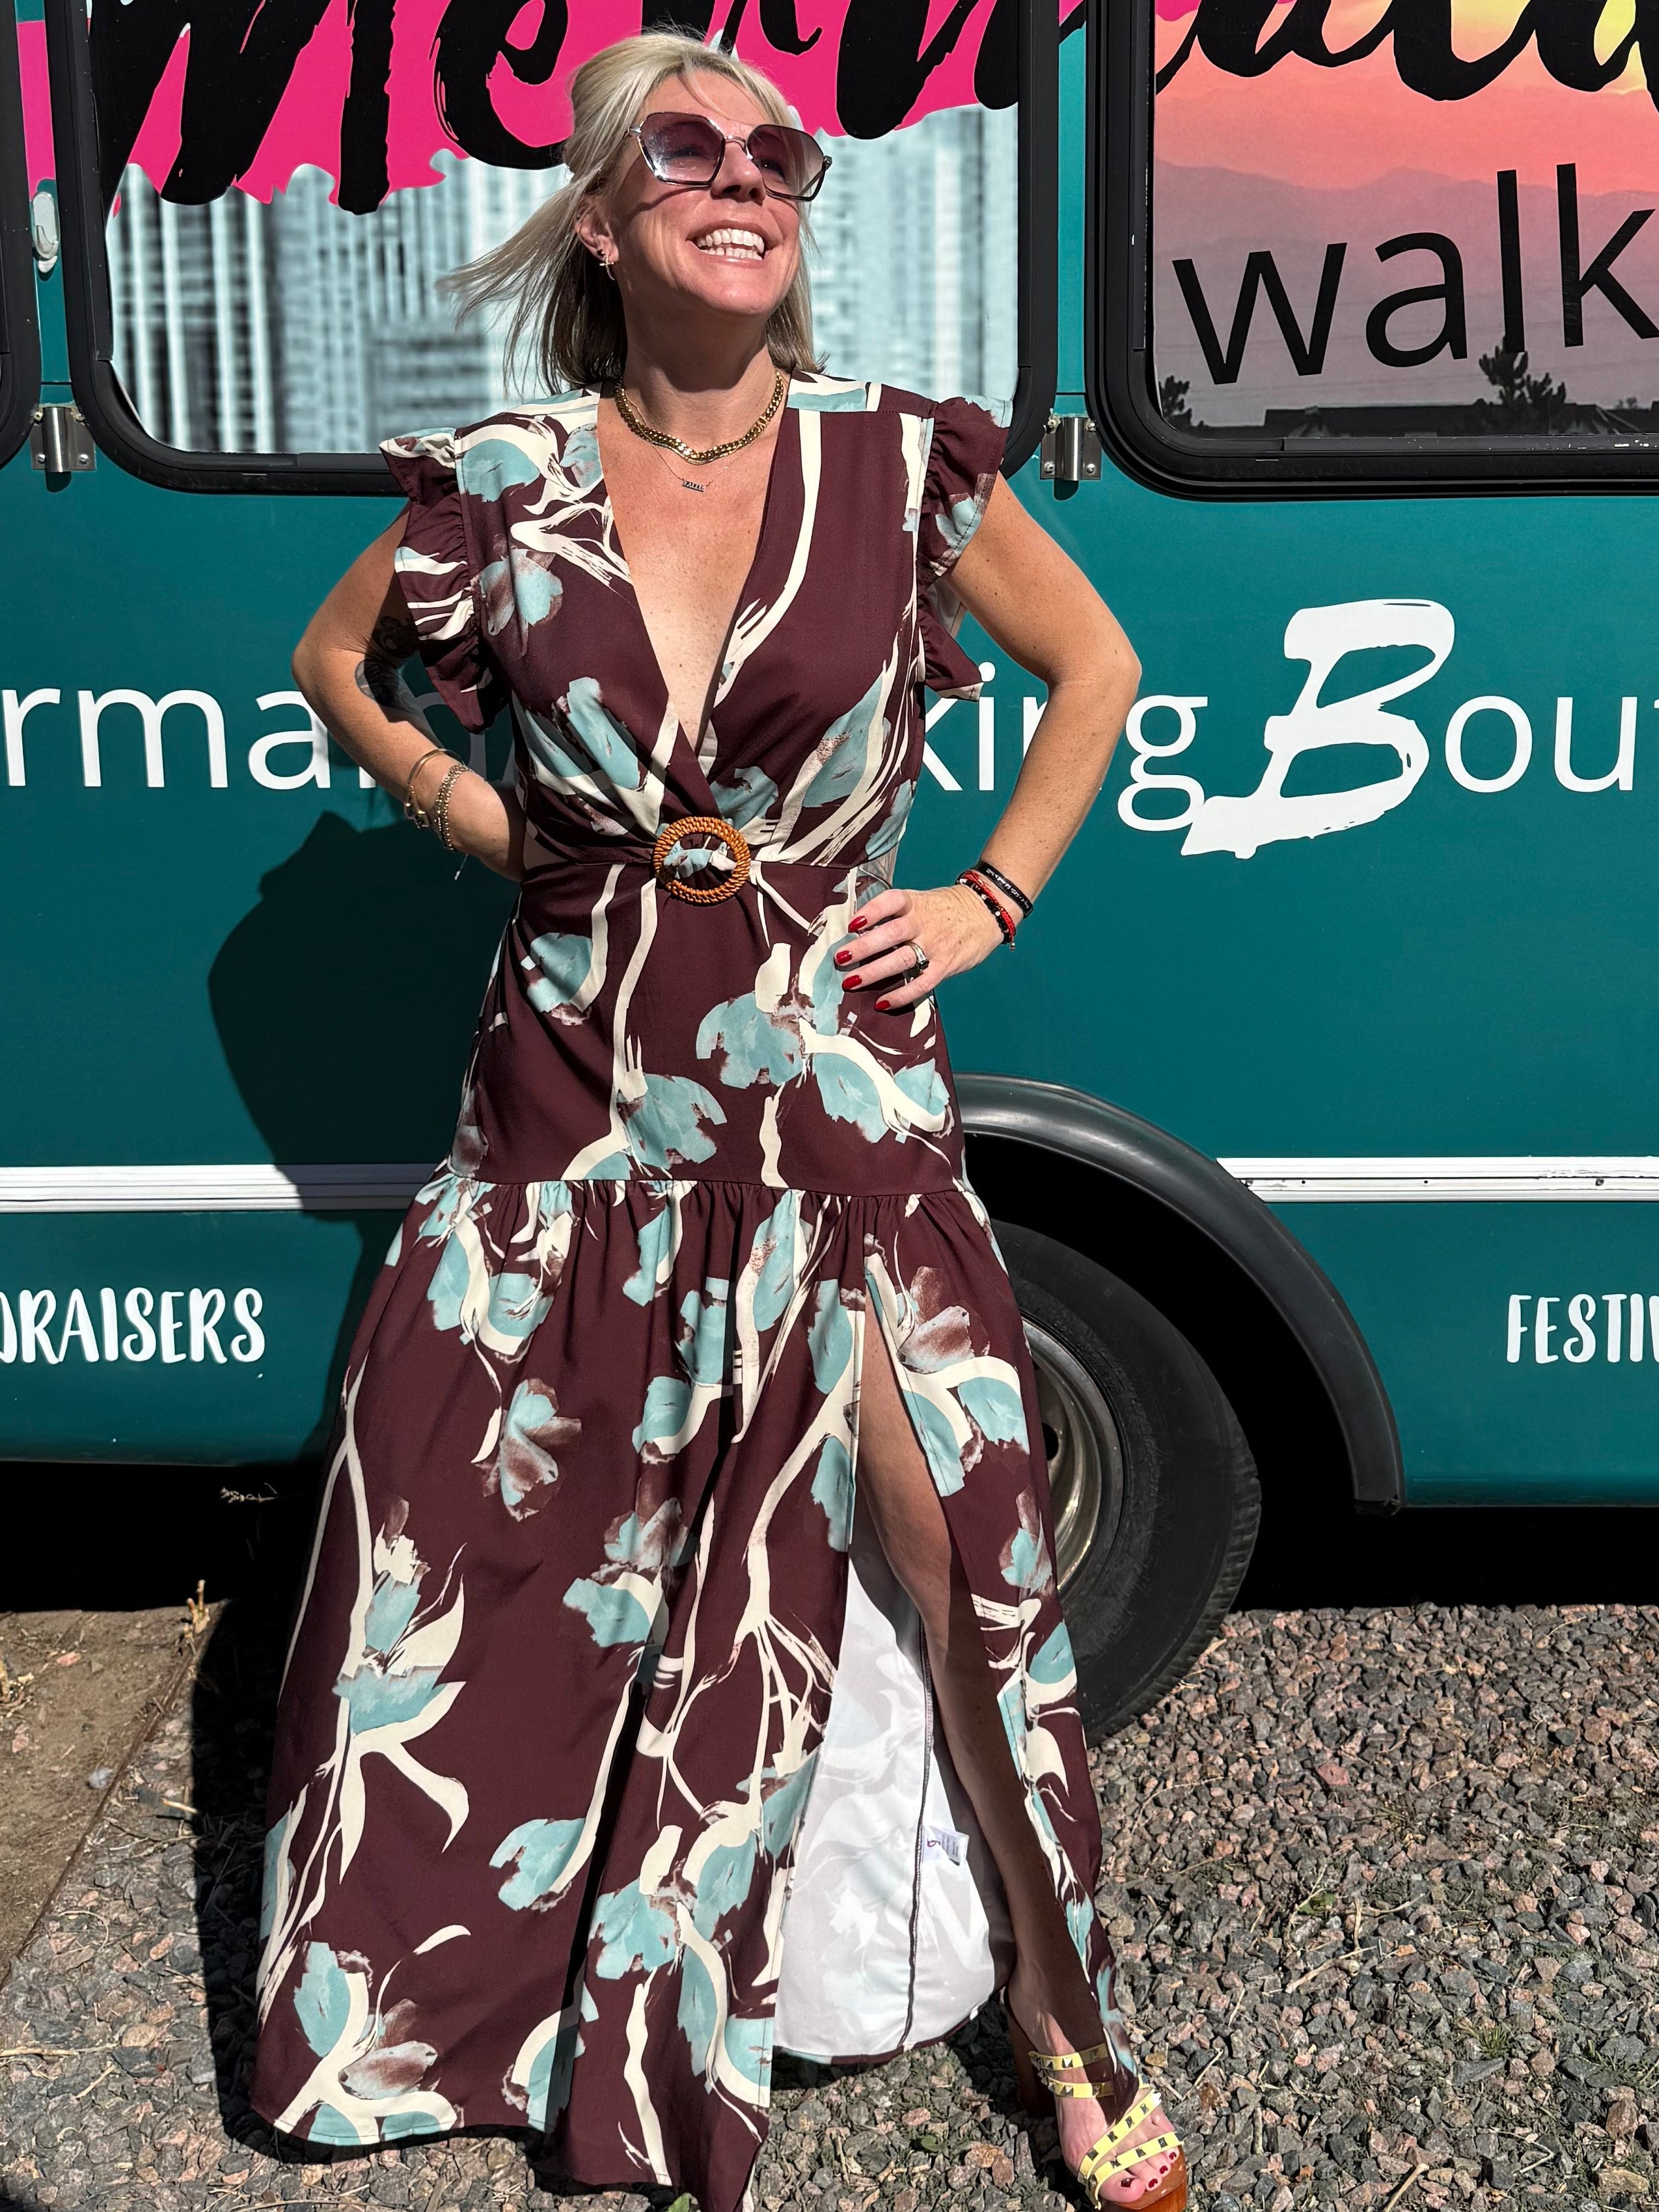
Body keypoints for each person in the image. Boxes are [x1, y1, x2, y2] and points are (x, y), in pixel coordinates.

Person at [250, 30, 1183, 2212]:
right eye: (692, 147)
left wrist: (982, 896)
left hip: (836, 1087)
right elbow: (333, 664)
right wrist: (480, 823)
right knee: (501, 1538)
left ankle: (1064, 2020)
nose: (747, 174)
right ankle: (514, 1988)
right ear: (605, 213)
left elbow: (1099, 672)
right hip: (575, 1089)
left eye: (785, 150)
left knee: (961, 1542)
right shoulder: (500, 481)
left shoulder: (903, 463)